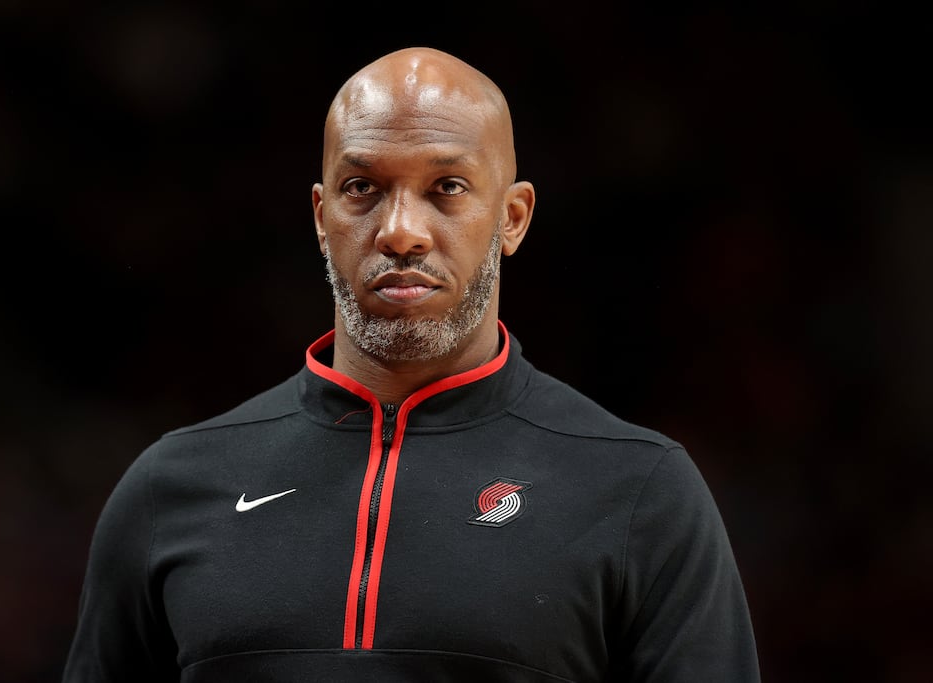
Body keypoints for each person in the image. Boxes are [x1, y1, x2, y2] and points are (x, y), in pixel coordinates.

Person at [62, 46, 760, 682]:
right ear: (320, 214)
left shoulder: (641, 492)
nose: (400, 230)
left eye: (447, 186)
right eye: (362, 187)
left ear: (512, 217)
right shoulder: (169, 489)